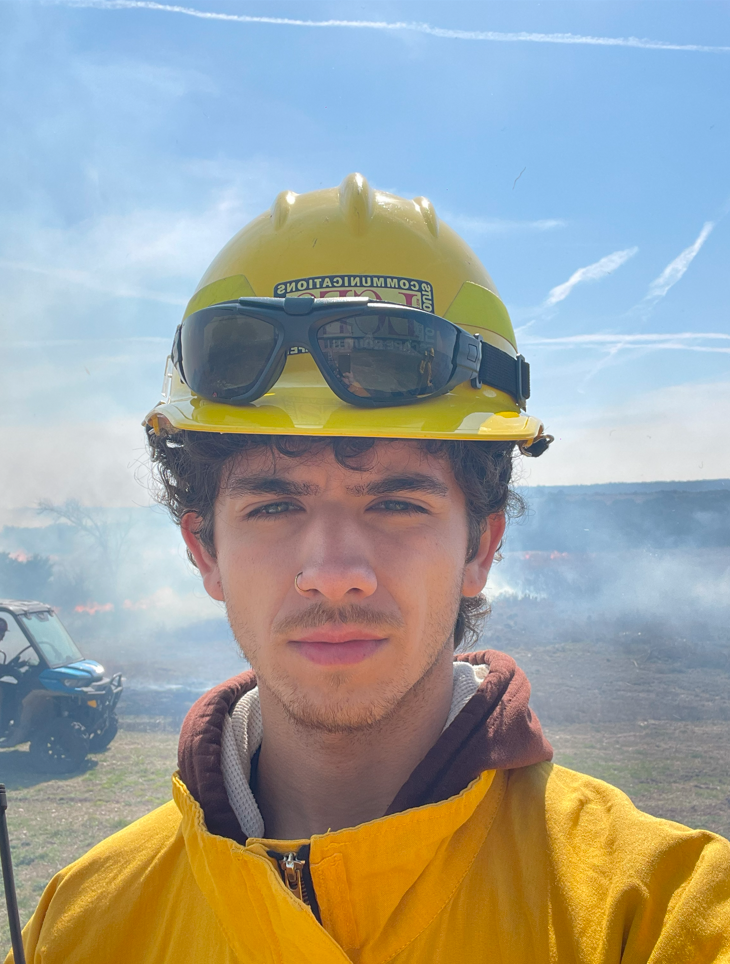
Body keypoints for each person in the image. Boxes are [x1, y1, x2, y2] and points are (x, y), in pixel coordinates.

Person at [10, 175, 730, 963]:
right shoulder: (81, 928)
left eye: (395, 504)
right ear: (204, 550)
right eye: (274, 506)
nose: (333, 573)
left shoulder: (651, 914)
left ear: (480, 547)